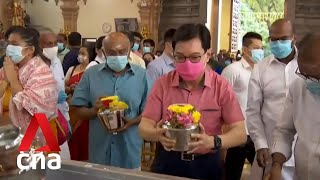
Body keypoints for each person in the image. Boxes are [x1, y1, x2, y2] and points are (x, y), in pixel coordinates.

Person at [138, 24, 246, 180]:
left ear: (207, 55)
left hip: (207, 164)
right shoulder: (162, 84)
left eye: (195, 57)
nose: (186, 63)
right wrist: (157, 135)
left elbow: (240, 134)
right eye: (179, 57)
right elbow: (144, 127)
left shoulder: (221, 87)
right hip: (167, 162)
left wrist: (212, 141)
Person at [71, 32, 149, 169]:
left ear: (129, 50)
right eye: (112, 53)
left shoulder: (142, 76)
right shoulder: (91, 74)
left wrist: (131, 123)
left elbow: (149, 113)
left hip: (129, 151)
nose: (118, 56)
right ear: (103, 52)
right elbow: (77, 110)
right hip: (99, 152)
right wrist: (95, 110)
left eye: (122, 52)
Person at [246, 19, 298, 180]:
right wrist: (260, 144)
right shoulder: (261, 68)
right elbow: (253, 111)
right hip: (270, 148)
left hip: (304, 150)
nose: (278, 43)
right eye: (273, 39)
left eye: (283, 38)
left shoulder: (308, 65)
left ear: (293, 38)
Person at [265, 33, 320, 180]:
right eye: (304, 73)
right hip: (302, 174)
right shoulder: (299, 87)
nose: (310, 81)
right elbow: (284, 130)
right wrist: (277, 165)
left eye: (316, 76)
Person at [0, 27, 58, 144]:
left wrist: (13, 80)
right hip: (9, 134)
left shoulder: (42, 72)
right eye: (9, 44)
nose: (9, 48)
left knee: (34, 161)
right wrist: (6, 81)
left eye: (14, 44)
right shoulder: (7, 68)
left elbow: (34, 108)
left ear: (30, 50)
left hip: (36, 133)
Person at [221, 32, 264, 180]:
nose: (260, 51)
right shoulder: (233, 70)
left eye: (261, 48)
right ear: (245, 50)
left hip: (257, 131)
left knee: (262, 171)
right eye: (256, 47)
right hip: (238, 131)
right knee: (232, 172)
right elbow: (221, 99)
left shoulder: (261, 70)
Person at [39, 30, 71, 160]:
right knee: (49, 158)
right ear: (39, 46)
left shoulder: (56, 61)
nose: (53, 47)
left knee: (63, 157)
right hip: (42, 118)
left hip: (60, 114)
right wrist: (53, 99)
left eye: (54, 43)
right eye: (48, 44)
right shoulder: (34, 65)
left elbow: (60, 84)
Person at [66, 44, 95, 161]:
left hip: (84, 111)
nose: (80, 56)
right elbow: (64, 85)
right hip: (70, 107)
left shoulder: (92, 71)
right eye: (80, 53)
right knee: (71, 139)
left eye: (84, 54)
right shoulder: (72, 69)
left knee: (83, 139)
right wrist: (70, 88)